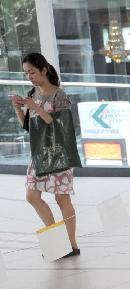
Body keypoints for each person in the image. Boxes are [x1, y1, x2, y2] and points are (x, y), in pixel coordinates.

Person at [10, 52, 81, 256]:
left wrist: (34, 106)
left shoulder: (59, 95)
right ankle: (57, 241)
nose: (29, 76)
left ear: (44, 69)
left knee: (62, 199)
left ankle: (72, 244)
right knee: (32, 196)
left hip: (59, 153)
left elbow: (57, 124)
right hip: (39, 152)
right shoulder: (33, 93)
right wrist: (18, 108)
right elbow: (27, 126)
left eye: (32, 72)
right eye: (26, 73)